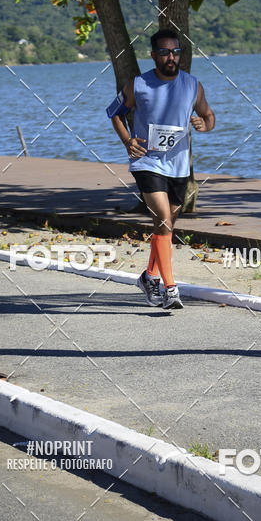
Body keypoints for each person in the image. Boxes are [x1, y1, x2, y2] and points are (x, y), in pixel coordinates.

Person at [107, 28, 215, 310]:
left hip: (178, 167)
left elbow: (208, 115)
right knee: (164, 219)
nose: (171, 57)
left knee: (166, 227)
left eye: (176, 52)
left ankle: (149, 276)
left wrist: (205, 125)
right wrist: (128, 141)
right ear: (153, 55)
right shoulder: (138, 85)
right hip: (147, 162)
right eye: (165, 52)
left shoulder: (193, 85)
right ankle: (170, 288)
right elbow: (114, 113)